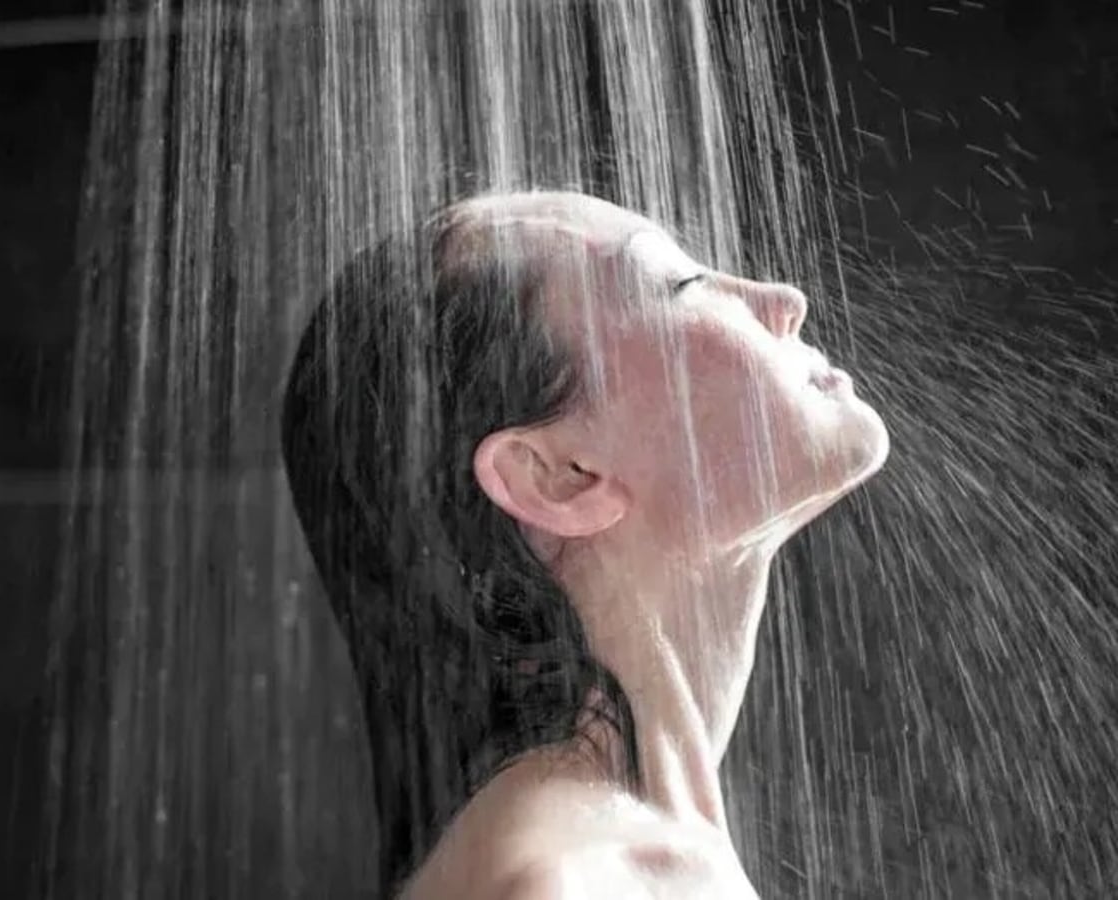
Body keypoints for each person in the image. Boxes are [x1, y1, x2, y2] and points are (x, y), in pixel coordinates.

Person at [279, 192, 888, 898]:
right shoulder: (582, 881)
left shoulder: (612, 853)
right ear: (559, 477)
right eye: (681, 286)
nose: (782, 300)